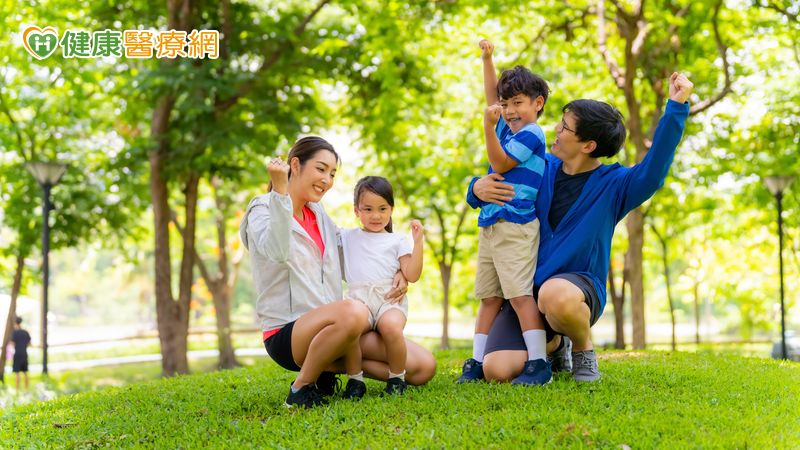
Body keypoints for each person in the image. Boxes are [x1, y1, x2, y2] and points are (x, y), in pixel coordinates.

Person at [467, 72, 694, 382]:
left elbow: (653, 171)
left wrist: (676, 106)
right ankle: (554, 344)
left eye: (565, 128)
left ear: (588, 145)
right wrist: (475, 189)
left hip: (575, 291)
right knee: (497, 370)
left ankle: (582, 350)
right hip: (525, 294)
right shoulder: (542, 167)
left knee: (555, 294)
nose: (556, 131)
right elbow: (499, 174)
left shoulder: (614, 186)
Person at [239, 136, 436, 408]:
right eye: (321, 169)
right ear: (295, 165)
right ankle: (300, 389)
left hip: (337, 328)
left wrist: (400, 271)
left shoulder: (318, 214)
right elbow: (277, 251)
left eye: (332, 173)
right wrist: (280, 194)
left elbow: (357, 255)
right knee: (354, 310)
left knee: (423, 367)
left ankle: (327, 368)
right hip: (287, 331)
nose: (327, 180)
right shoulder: (263, 208)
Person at [458, 39, 552, 386]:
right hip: (491, 224)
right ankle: (476, 362)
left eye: (518, 103)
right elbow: (490, 100)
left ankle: (539, 363)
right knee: (489, 298)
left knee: (518, 295)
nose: (509, 111)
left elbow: (498, 162)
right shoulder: (506, 127)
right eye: (506, 104)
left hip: (517, 226)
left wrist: (487, 125)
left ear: (537, 104)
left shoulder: (531, 133)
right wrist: (487, 59)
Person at [340, 176, 424, 397]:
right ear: (356, 211)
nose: (375, 216)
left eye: (382, 208)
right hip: (359, 299)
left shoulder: (398, 240)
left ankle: (397, 378)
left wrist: (418, 243)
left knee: (391, 327)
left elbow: (412, 275)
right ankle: (355, 380)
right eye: (367, 209)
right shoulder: (347, 237)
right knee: (351, 330)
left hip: (389, 298)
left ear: (391, 210)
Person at [11, 316, 31, 390]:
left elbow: (13, 344)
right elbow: (29, 343)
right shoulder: (25, 332)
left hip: (17, 354)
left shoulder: (15, 333)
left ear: (15, 323)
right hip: (24, 353)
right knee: (25, 372)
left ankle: (17, 390)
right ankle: (26, 389)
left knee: (17, 373)